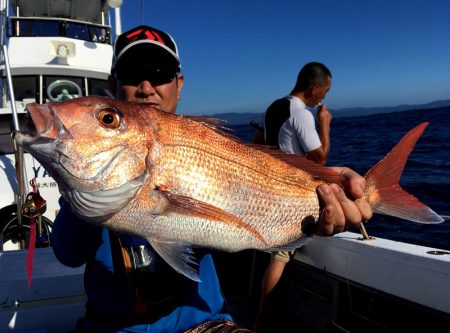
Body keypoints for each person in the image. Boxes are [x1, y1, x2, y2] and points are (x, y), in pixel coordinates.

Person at [51, 26, 371, 333]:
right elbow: (69, 253)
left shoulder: (205, 148)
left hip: (206, 324)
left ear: (179, 83)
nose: (146, 87)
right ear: (112, 83)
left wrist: (327, 181)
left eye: (160, 74)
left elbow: (257, 192)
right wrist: (81, 186)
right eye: (133, 74)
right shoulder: (91, 165)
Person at [254, 62, 340, 333]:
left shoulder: (274, 107)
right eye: (324, 91)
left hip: (267, 190)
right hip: (288, 194)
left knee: (274, 255)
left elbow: (258, 143)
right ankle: (262, 322)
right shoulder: (300, 113)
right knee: (280, 258)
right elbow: (319, 158)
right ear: (314, 88)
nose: (324, 97)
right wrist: (324, 124)